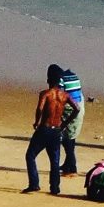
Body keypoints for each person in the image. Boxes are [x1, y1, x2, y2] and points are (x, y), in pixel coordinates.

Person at [25, 64, 73, 194]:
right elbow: (77, 109)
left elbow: (40, 108)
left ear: (48, 79)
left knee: (30, 155)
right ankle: (55, 187)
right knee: (55, 160)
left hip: (44, 129)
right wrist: (65, 123)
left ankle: (34, 184)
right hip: (56, 130)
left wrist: (36, 122)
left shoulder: (45, 94)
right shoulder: (65, 96)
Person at [57, 64, 85, 176]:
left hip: (72, 109)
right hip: (80, 105)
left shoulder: (61, 80)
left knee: (66, 140)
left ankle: (72, 167)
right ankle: (67, 164)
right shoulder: (74, 76)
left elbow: (60, 98)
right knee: (71, 137)